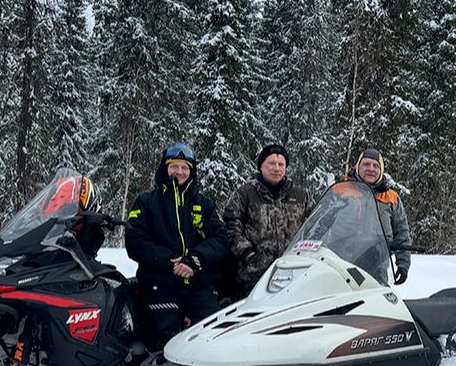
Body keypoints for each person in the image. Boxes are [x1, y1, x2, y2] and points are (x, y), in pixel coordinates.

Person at [125, 142, 229, 349]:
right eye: (174, 166)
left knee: (209, 333)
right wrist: (169, 262)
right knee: (166, 331)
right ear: (165, 167)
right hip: (161, 281)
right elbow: (135, 241)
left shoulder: (204, 204)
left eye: (184, 167)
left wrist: (195, 260)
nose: (179, 172)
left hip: (200, 282)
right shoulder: (146, 202)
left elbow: (220, 238)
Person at [223, 144, 314, 294]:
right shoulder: (245, 194)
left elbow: (315, 225)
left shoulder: (301, 195)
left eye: (281, 164)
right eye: (271, 163)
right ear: (261, 166)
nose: (276, 168)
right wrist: (248, 253)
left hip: (295, 273)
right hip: (255, 276)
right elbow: (231, 224)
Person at [346, 147, 411, 285]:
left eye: (376, 166)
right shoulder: (342, 191)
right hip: (343, 266)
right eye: (366, 164)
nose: (371, 169)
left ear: (381, 170)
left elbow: (402, 232)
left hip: (378, 269)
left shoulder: (391, 198)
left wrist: (403, 263)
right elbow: (324, 225)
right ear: (358, 167)